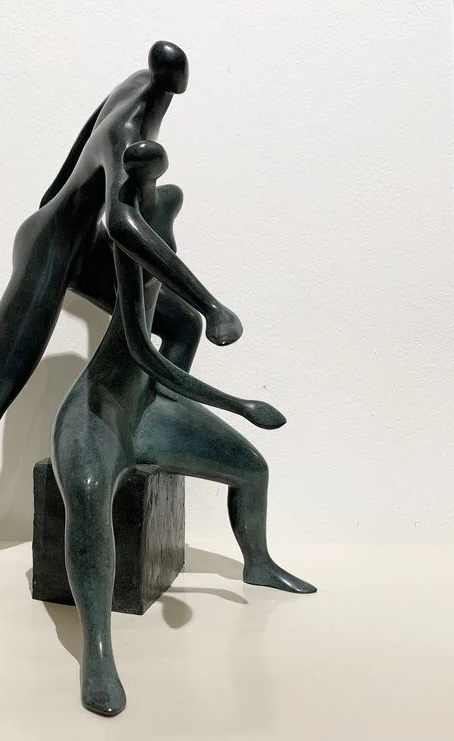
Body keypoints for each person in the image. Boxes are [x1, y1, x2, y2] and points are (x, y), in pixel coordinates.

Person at [0, 41, 242, 592]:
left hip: (72, 240)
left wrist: (65, 213)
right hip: (50, 250)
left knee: (179, 326)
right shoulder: (130, 128)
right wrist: (212, 304)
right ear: (175, 79)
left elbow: (72, 165)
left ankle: (150, 419)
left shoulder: (137, 83)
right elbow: (121, 223)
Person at [51, 140, 316, 717]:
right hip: (98, 412)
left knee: (252, 469)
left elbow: (182, 324)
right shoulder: (121, 230)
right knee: (89, 495)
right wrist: (239, 404)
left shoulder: (164, 206)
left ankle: (258, 562)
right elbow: (146, 354)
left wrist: (201, 330)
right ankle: (98, 652)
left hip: (147, 408)